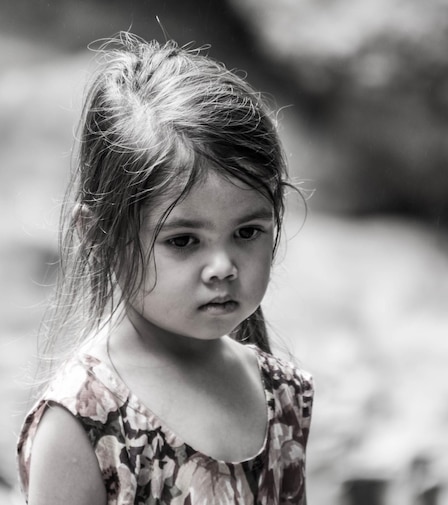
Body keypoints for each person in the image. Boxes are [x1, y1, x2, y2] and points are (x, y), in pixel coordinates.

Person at [16, 32, 314, 505]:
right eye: (183, 241)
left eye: (247, 232)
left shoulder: (283, 394)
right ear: (101, 237)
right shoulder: (86, 421)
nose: (222, 267)